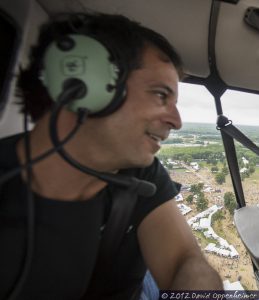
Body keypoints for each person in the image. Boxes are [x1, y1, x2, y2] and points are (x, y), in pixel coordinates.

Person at [0, 11, 223, 300]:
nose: (177, 121)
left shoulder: (141, 173)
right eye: (160, 95)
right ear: (81, 84)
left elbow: (185, 258)